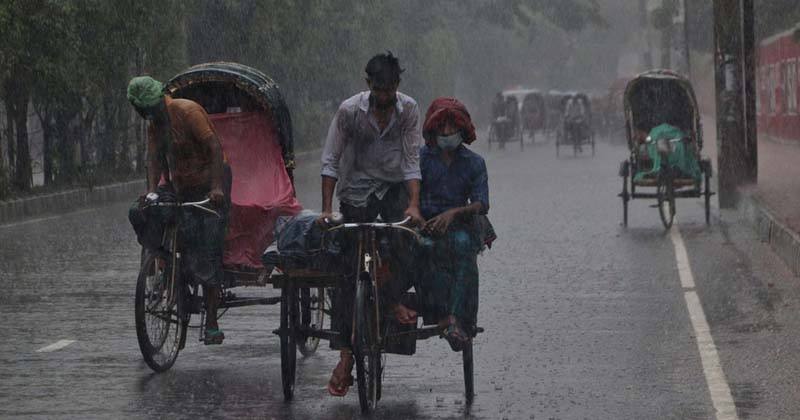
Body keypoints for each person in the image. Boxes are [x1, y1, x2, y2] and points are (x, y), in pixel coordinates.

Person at [319, 52, 424, 396]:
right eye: (379, 89)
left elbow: (411, 161)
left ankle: (391, 298)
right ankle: (346, 355)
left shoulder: (408, 110)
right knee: (348, 269)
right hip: (357, 191)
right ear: (369, 86)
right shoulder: (349, 111)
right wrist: (325, 209)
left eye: (391, 88)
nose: (384, 95)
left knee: (406, 247)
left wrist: (413, 205)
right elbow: (331, 160)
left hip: (393, 189)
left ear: (397, 86)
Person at [126, 76, 231, 345]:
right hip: (180, 185)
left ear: (162, 99)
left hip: (211, 183)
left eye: (150, 108)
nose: (148, 114)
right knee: (140, 211)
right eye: (143, 111)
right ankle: (163, 264)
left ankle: (211, 321)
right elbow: (153, 160)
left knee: (207, 246)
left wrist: (217, 187)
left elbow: (215, 148)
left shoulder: (187, 111)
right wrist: (151, 191)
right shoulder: (154, 125)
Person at [418, 97, 490, 351]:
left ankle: (459, 320)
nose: (447, 132)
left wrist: (453, 214)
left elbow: (481, 203)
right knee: (421, 249)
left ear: (462, 129)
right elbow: (407, 193)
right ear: (433, 129)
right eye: (442, 127)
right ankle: (436, 313)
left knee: (462, 248)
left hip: (460, 226)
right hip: (424, 225)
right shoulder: (420, 160)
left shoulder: (474, 163)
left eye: (452, 126)